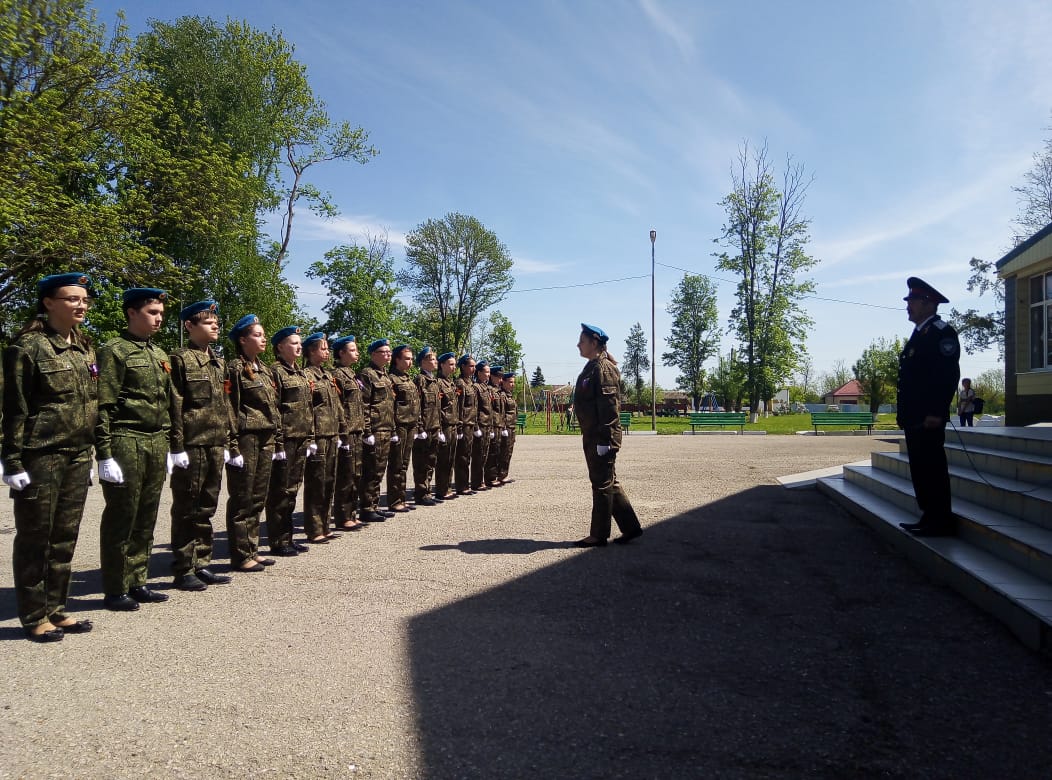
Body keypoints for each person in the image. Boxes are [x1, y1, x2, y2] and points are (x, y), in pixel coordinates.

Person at [2, 272, 98, 641]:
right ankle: (33, 615)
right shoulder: (27, 348)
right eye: (72, 298)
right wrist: (12, 461)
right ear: (48, 303)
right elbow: (14, 409)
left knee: (64, 536)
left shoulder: (84, 347)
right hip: (40, 456)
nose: (82, 305)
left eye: (84, 299)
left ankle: (56, 608)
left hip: (76, 454)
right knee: (35, 538)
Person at [96, 287, 174, 611]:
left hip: (156, 440)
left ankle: (138, 580)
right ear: (132, 313)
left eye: (160, 314)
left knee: (147, 514)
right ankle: (115, 588)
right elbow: (103, 405)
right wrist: (104, 454)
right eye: (152, 313)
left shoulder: (160, 354)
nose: (158, 319)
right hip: (126, 439)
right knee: (122, 515)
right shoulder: (114, 351)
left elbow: (166, 403)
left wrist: (169, 443)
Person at [167, 300, 235, 591]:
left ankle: (202, 561)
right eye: (208, 322)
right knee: (187, 507)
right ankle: (183, 567)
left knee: (207, 506)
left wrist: (230, 441)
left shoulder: (219, 362)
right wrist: (176, 446)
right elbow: (175, 405)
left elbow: (226, 405)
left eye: (216, 321)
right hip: (192, 443)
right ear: (189, 326)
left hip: (215, 443)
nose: (215, 325)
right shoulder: (180, 359)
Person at [896, 277, 961, 537]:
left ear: (928, 303)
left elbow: (946, 376)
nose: (908, 306)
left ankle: (940, 519)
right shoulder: (920, 333)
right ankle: (928, 516)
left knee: (932, 468)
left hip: (928, 417)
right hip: (914, 416)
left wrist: (936, 411)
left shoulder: (941, 332)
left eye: (912, 301)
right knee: (920, 468)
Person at [572, 323, 642, 548]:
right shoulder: (593, 366)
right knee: (608, 481)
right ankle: (631, 528)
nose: (578, 345)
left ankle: (598, 535)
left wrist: (606, 440)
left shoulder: (602, 369)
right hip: (594, 435)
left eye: (582, 341)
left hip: (601, 437)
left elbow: (609, 408)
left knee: (602, 484)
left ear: (594, 343)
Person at [225, 315, 284, 569]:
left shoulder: (264, 369)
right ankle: (240, 554)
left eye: (263, 334)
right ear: (242, 339)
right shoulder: (234, 369)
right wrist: (232, 446)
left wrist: (277, 439)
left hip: (266, 437)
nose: (263, 339)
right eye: (257, 335)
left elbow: (274, 407)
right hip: (247, 438)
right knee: (242, 496)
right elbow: (230, 408)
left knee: (258, 496)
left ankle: (252, 548)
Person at [266, 326, 315, 552]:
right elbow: (274, 409)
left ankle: (287, 538)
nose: (299, 346)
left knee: (292, 491)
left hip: (301, 438)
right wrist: (277, 442)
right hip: (285, 439)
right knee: (280, 492)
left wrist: (311, 436)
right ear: (280, 347)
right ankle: (278, 540)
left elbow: (308, 408)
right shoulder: (275, 372)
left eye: (299, 343)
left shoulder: (300, 373)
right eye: (294, 343)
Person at [302, 332, 344, 543]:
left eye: (328, 348)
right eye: (323, 348)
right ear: (311, 351)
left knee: (329, 481)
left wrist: (340, 431)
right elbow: (306, 409)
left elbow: (336, 407)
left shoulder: (327, 375)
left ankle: (324, 526)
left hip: (331, 434)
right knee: (316, 483)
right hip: (317, 435)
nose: (327, 352)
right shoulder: (307, 376)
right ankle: (314, 528)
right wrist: (310, 437)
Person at [331, 335, 366, 532]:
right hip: (347, 432)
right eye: (352, 350)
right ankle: (343, 517)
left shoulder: (351, 374)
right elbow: (339, 407)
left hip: (357, 430)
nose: (357, 352)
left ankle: (351, 513)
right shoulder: (337, 375)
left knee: (355, 474)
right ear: (341, 353)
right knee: (345, 476)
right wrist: (342, 433)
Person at [358, 339, 396, 523]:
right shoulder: (367, 374)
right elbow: (364, 404)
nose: (388, 355)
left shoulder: (385, 375)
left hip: (386, 427)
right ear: (373, 354)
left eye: (389, 352)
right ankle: (366, 507)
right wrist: (366, 431)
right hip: (375, 428)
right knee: (371, 470)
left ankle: (374, 505)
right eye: (384, 352)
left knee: (379, 469)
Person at [386, 344, 420, 512]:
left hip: (410, 425)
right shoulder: (392, 379)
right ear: (397, 360)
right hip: (399, 425)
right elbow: (389, 406)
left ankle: (401, 497)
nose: (410, 362)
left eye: (411, 359)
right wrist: (392, 429)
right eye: (406, 359)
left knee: (404, 464)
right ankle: (394, 500)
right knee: (396, 464)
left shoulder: (408, 379)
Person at [412, 346, 441, 506]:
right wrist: (420, 428)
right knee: (422, 463)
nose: (435, 362)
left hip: (434, 427)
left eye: (435, 359)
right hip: (425, 428)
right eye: (431, 359)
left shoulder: (434, 381)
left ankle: (427, 491)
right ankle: (421, 493)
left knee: (430, 461)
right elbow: (417, 406)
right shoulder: (420, 380)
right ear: (423, 362)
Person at [433, 352, 460, 501]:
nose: (453, 367)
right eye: (450, 364)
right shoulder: (438, 383)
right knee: (443, 459)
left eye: (454, 364)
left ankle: (447, 487)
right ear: (442, 365)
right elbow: (437, 407)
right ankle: (441, 489)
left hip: (453, 424)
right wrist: (440, 428)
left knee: (450, 458)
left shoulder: (451, 382)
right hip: (444, 425)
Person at [454, 354, 479, 495]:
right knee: (462, 457)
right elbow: (459, 406)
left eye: (475, 366)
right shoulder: (460, 383)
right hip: (463, 424)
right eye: (471, 366)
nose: (473, 369)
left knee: (468, 455)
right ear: (463, 367)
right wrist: (459, 427)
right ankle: (462, 486)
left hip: (471, 424)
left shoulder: (471, 384)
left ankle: (465, 484)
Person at [471, 360, 494, 491]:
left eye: (489, 372)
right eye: (486, 372)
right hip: (480, 424)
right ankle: (476, 482)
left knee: (484, 454)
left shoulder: (485, 387)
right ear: (478, 373)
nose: (488, 374)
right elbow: (474, 408)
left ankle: (481, 481)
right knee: (478, 455)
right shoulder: (476, 387)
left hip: (487, 424)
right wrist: (476, 427)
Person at [484, 365, 504, 487]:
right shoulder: (489, 390)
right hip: (492, 424)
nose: (500, 380)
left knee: (497, 452)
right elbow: (489, 410)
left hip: (499, 424)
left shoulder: (498, 390)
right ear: (492, 376)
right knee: (491, 453)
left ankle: (495, 475)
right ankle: (489, 477)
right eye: (498, 377)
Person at [498, 371, 518, 484]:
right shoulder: (502, 395)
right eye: (510, 382)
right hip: (505, 427)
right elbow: (501, 413)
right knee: (503, 452)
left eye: (513, 382)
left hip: (511, 427)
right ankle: (500, 475)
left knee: (508, 452)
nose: (513, 384)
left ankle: (504, 474)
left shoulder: (510, 395)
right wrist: (503, 427)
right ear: (503, 382)